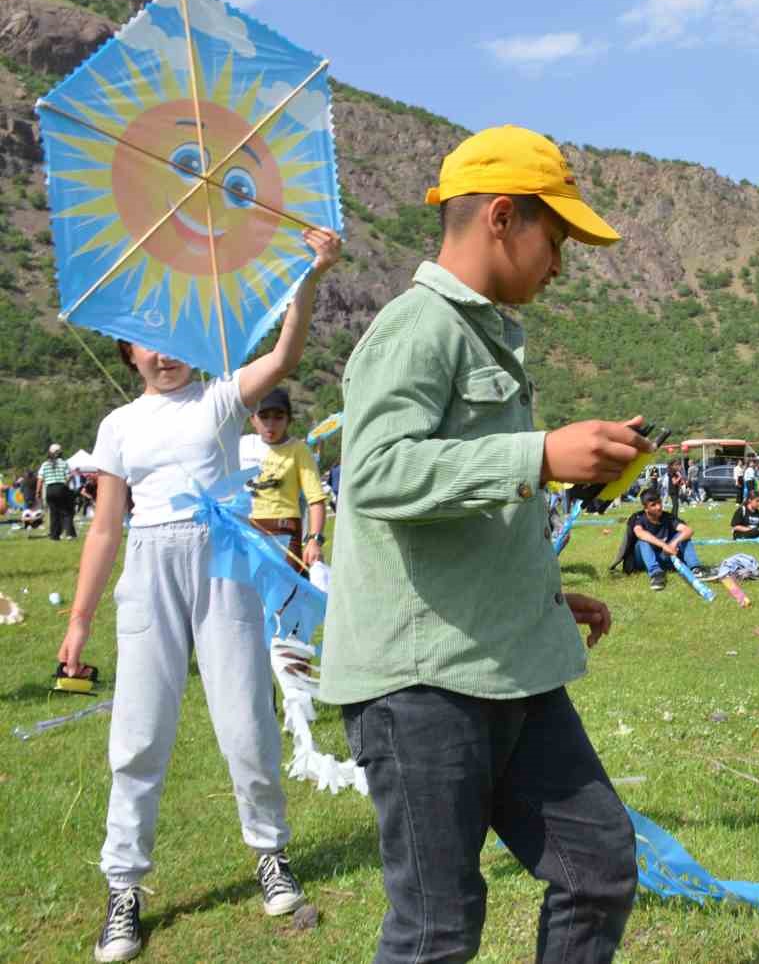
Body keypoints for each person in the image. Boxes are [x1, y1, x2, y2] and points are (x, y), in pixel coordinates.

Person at [319, 127, 646, 963]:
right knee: (436, 928)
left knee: (598, 864)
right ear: (503, 216)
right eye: (557, 237)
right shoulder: (415, 327)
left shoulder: (485, 333)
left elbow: (457, 498)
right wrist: (539, 452)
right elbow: (380, 475)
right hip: (421, 684)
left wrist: (534, 588)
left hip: (504, 660)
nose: (561, 263)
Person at [57, 227, 341, 963]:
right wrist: (79, 624)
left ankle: (271, 854)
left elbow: (283, 357)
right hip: (149, 570)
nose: (162, 353)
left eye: (171, 336)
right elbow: (104, 530)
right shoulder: (118, 426)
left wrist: (307, 276)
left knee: (246, 718)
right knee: (140, 732)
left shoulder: (219, 399)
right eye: (145, 343)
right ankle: (124, 888)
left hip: (221, 561)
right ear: (127, 351)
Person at [246, 387, 328, 576]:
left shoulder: (299, 450)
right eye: (264, 416)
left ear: (289, 420)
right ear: (252, 420)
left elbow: (316, 500)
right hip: (249, 534)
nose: (270, 424)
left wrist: (314, 540)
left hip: (285, 534)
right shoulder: (243, 445)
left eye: (278, 417)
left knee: (285, 599)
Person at [622, 489, 710, 589]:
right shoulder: (638, 517)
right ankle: (656, 574)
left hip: (666, 556)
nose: (659, 507)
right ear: (646, 508)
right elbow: (640, 533)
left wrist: (673, 544)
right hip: (643, 559)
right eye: (653, 505)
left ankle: (696, 569)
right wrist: (664, 545)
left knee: (683, 536)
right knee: (643, 541)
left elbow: (688, 530)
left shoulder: (668, 517)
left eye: (659, 502)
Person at [37, 443, 76, 540]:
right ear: (60, 453)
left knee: (53, 513)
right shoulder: (64, 463)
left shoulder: (45, 464)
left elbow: (40, 479)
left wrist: (37, 492)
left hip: (49, 489)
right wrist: (65, 484)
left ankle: (54, 535)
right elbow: (69, 476)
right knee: (66, 512)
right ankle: (69, 534)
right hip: (61, 488)